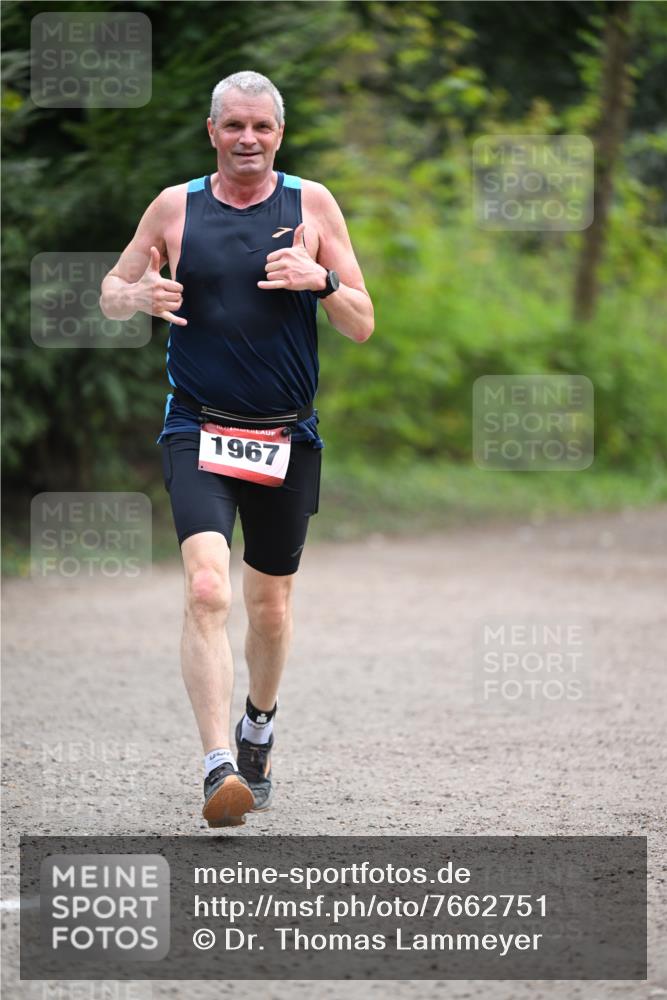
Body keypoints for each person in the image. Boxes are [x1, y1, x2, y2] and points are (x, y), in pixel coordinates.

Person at [100, 71, 374, 827]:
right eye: (233, 127)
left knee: (270, 607)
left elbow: (361, 321)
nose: (246, 140)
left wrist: (320, 282)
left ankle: (258, 724)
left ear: (278, 134)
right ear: (212, 132)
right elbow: (111, 290)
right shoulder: (173, 206)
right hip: (198, 426)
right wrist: (138, 297)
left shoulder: (311, 204)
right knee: (206, 590)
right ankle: (218, 763)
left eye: (260, 127)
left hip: (285, 434)